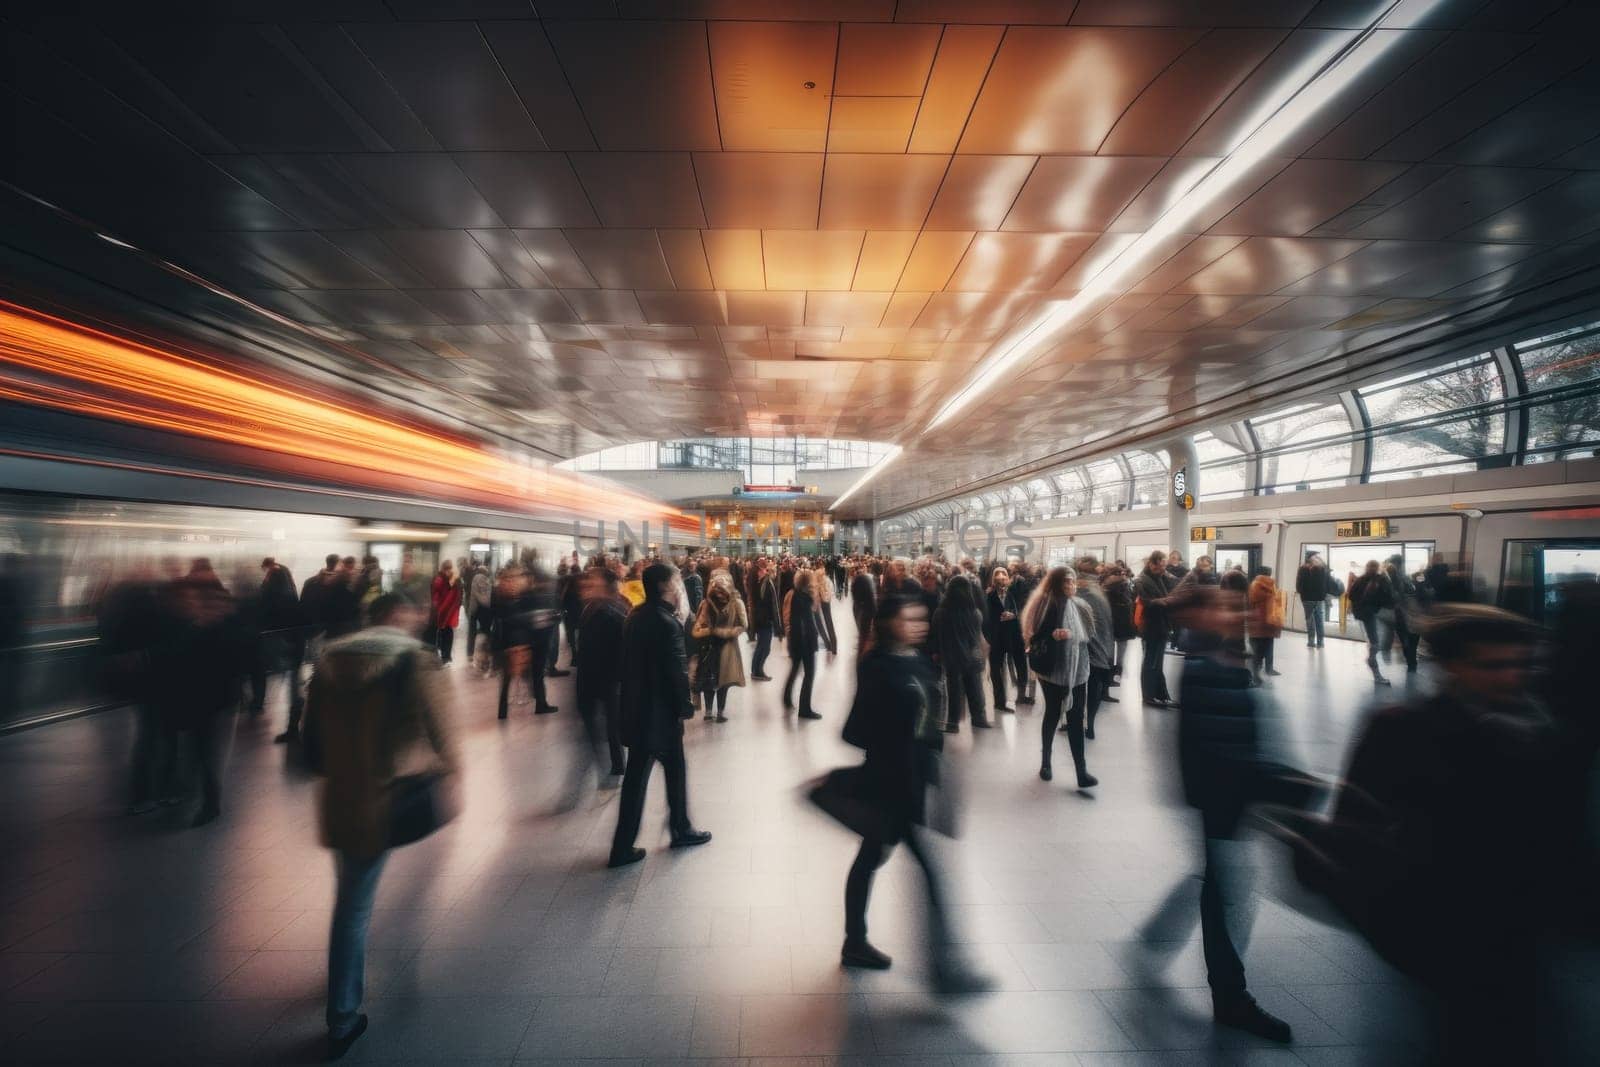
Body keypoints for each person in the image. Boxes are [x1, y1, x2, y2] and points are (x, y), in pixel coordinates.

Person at [1290, 605, 1553, 1062]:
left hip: (1521, 925)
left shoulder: (1547, 734)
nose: (1511, 677)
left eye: (1521, 664)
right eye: (1493, 665)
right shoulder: (1402, 731)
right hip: (1445, 924)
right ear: (1451, 666)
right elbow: (1355, 825)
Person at [303, 593, 459, 1060]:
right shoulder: (416, 661)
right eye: (412, 615)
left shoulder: (330, 661)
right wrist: (452, 776)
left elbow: (310, 740)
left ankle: (342, 993)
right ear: (398, 617)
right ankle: (342, 1015)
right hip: (390, 794)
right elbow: (443, 730)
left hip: (343, 796)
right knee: (356, 905)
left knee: (350, 901)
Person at [839, 593, 991, 994]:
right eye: (910, 619)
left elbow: (929, 719)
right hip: (890, 781)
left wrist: (934, 746)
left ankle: (855, 941)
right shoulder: (878, 666)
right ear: (889, 622)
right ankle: (944, 969)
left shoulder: (921, 661)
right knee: (928, 869)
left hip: (913, 778)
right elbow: (854, 729)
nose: (919, 625)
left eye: (922, 619)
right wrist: (897, 736)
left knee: (871, 857)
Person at [1172, 584, 1293, 1044]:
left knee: (1221, 890)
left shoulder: (1225, 663)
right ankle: (1230, 995)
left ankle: (1227, 991)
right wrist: (1279, 785)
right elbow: (1217, 744)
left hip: (1230, 801)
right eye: (1225, 606)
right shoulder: (1205, 669)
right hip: (1225, 801)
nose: (1236, 612)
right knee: (1230, 898)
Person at [608, 563, 712, 867]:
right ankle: (680, 829)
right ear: (667, 586)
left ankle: (622, 845)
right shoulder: (667, 623)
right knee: (675, 771)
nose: (681, 587)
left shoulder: (636, 616)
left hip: (637, 712)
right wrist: (685, 706)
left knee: (636, 780)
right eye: (677, 582)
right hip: (660, 717)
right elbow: (676, 673)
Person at [156, 568, 250, 827]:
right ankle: (197, 798)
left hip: (217, 702)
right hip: (201, 700)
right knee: (200, 751)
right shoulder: (194, 630)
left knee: (208, 753)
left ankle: (208, 802)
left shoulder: (220, 631)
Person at [1022, 567, 1096, 789]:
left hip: (1078, 670)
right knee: (1052, 714)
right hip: (1052, 669)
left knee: (1075, 719)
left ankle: (1081, 772)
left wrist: (1073, 634)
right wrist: (1051, 635)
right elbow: (1031, 634)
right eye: (1066, 582)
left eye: (1073, 582)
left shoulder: (1082, 606)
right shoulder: (1044, 604)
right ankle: (1046, 762)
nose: (1071, 586)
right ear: (1055, 584)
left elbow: (1090, 634)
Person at [575, 567, 628, 777]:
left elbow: (623, 649)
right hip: (590, 678)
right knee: (597, 724)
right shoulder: (589, 609)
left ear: (605, 587)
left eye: (592, 582)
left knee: (612, 724)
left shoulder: (614, 613)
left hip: (608, 678)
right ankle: (610, 763)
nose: (587, 586)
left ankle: (616, 764)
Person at [257, 559, 307, 742]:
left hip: (281, 647)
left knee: (290, 689)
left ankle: (292, 728)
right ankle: (293, 726)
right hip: (294, 648)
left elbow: (262, 615)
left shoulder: (270, 596)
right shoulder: (292, 596)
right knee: (294, 689)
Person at [934, 574, 989, 732]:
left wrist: (937, 652)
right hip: (972, 656)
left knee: (954, 690)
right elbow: (977, 637)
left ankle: (953, 723)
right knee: (975, 688)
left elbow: (937, 635)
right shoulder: (975, 613)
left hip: (952, 657)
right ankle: (979, 718)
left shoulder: (941, 612)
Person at [690, 575, 747, 722]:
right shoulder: (706, 604)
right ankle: (709, 711)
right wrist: (709, 631)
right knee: (709, 680)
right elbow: (696, 630)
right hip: (709, 647)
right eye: (716, 591)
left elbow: (744, 625)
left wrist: (724, 632)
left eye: (722, 591)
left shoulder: (737, 604)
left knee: (724, 682)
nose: (719, 595)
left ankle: (720, 711)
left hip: (728, 648)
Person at [1073, 559, 1116, 739]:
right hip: (1102, 647)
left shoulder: (1081, 593)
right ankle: (1089, 724)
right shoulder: (1099, 591)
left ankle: (1078, 722)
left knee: (1079, 688)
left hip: (1087, 647)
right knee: (1094, 688)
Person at [1134, 551, 1176, 708]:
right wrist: (1165, 601)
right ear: (1152, 564)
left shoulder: (1160, 578)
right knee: (1151, 662)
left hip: (1160, 625)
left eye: (1165, 566)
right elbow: (1146, 602)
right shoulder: (1142, 581)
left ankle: (1161, 694)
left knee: (1157, 662)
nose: (1163, 569)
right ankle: (1149, 696)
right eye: (1160, 566)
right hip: (1151, 626)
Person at [783, 571, 823, 720]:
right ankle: (805, 708)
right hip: (805, 642)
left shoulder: (795, 596)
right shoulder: (805, 599)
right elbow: (806, 622)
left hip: (797, 640)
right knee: (809, 674)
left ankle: (787, 697)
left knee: (795, 669)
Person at [1347, 560, 1394, 686]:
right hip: (1369, 615)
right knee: (1375, 644)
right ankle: (1377, 674)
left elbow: (1351, 596)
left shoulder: (1365, 580)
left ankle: (1374, 664)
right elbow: (1389, 597)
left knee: (1374, 644)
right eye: (1371, 567)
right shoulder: (1373, 580)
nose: (1372, 569)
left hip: (1370, 614)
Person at [983, 567, 1023, 713]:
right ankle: (999, 701)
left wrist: (1013, 615)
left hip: (1012, 636)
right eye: (997, 576)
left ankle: (1020, 696)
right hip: (996, 638)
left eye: (1004, 575)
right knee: (996, 670)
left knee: (1016, 667)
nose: (1001, 578)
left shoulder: (1012, 593)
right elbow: (985, 618)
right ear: (993, 579)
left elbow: (1020, 609)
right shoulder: (988, 595)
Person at [1380, 555, 1419, 674]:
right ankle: (1411, 662)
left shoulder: (1388, 577)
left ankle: (1410, 661)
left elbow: (1392, 596)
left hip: (1398, 614)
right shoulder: (1407, 577)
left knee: (1404, 639)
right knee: (1410, 638)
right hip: (1409, 614)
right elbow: (1413, 591)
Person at [1246, 566, 1283, 682]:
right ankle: (1269, 668)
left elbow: (1250, 601)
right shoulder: (1273, 585)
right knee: (1269, 644)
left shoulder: (1254, 585)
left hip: (1257, 620)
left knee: (1255, 647)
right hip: (1271, 620)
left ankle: (1254, 670)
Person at [1103, 562, 1136, 688]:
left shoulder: (1105, 584)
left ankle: (1111, 674)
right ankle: (1117, 672)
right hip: (1122, 619)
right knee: (1121, 647)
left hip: (1111, 618)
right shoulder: (1124, 584)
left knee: (1110, 648)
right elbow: (1129, 601)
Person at [749, 558, 783, 681]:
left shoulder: (758, 583)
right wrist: (778, 626)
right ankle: (758, 671)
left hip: (759, 619)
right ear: (763, 570)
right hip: (765, 620)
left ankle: (755, 670)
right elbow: (774, 605)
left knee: (760, 646)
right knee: (765, 647)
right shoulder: (767, 583)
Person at [1294, 553, 1330, 648]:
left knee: (1309, 619)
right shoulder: (1322, 569)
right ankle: (1320, 641)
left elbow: (1298, 584)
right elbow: (1326, 583)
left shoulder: (1302, 569)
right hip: (1319, 598)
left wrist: (1301, 591)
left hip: (1307, 598)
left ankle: (1311, 640)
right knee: (1319, 619)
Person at [429, 560, 462, 664]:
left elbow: (457, 594)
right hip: (442, 611)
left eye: (449, 568)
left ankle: (446, 656)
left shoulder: (453, 579)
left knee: (447, 632)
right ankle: (443, 654)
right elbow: (435, 595)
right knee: (442, 632)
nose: (448, 571)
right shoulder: (439, 579)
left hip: (449, 611)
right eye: (446, 569)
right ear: (443, 569)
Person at [466, 562, 493, 665]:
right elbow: (483, 597)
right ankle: (485, 654)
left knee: (472, 633)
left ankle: (470, 654)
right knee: (485, 632)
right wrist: (488, 602)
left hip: (475, 609)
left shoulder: (476, 578)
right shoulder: (481, 578)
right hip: (481, 610)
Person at [850, 564, 877, 656]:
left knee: (862, 631)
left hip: (859, 607)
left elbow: (854, 594)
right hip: (865, 609)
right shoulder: (867, 579)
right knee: (865, 632)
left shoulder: (858, 580)